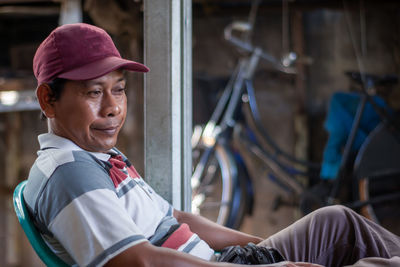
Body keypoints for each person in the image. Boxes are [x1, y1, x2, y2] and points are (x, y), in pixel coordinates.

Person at [23, 23, 400, 267]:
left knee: (335, 222)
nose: (112, 108)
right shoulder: (69, 174)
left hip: (224, 261)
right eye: (93, 92)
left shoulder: (100, 156)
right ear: (48, 99)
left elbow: (177, 220)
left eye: (119, 90)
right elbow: (138, 261)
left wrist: (262, 246)